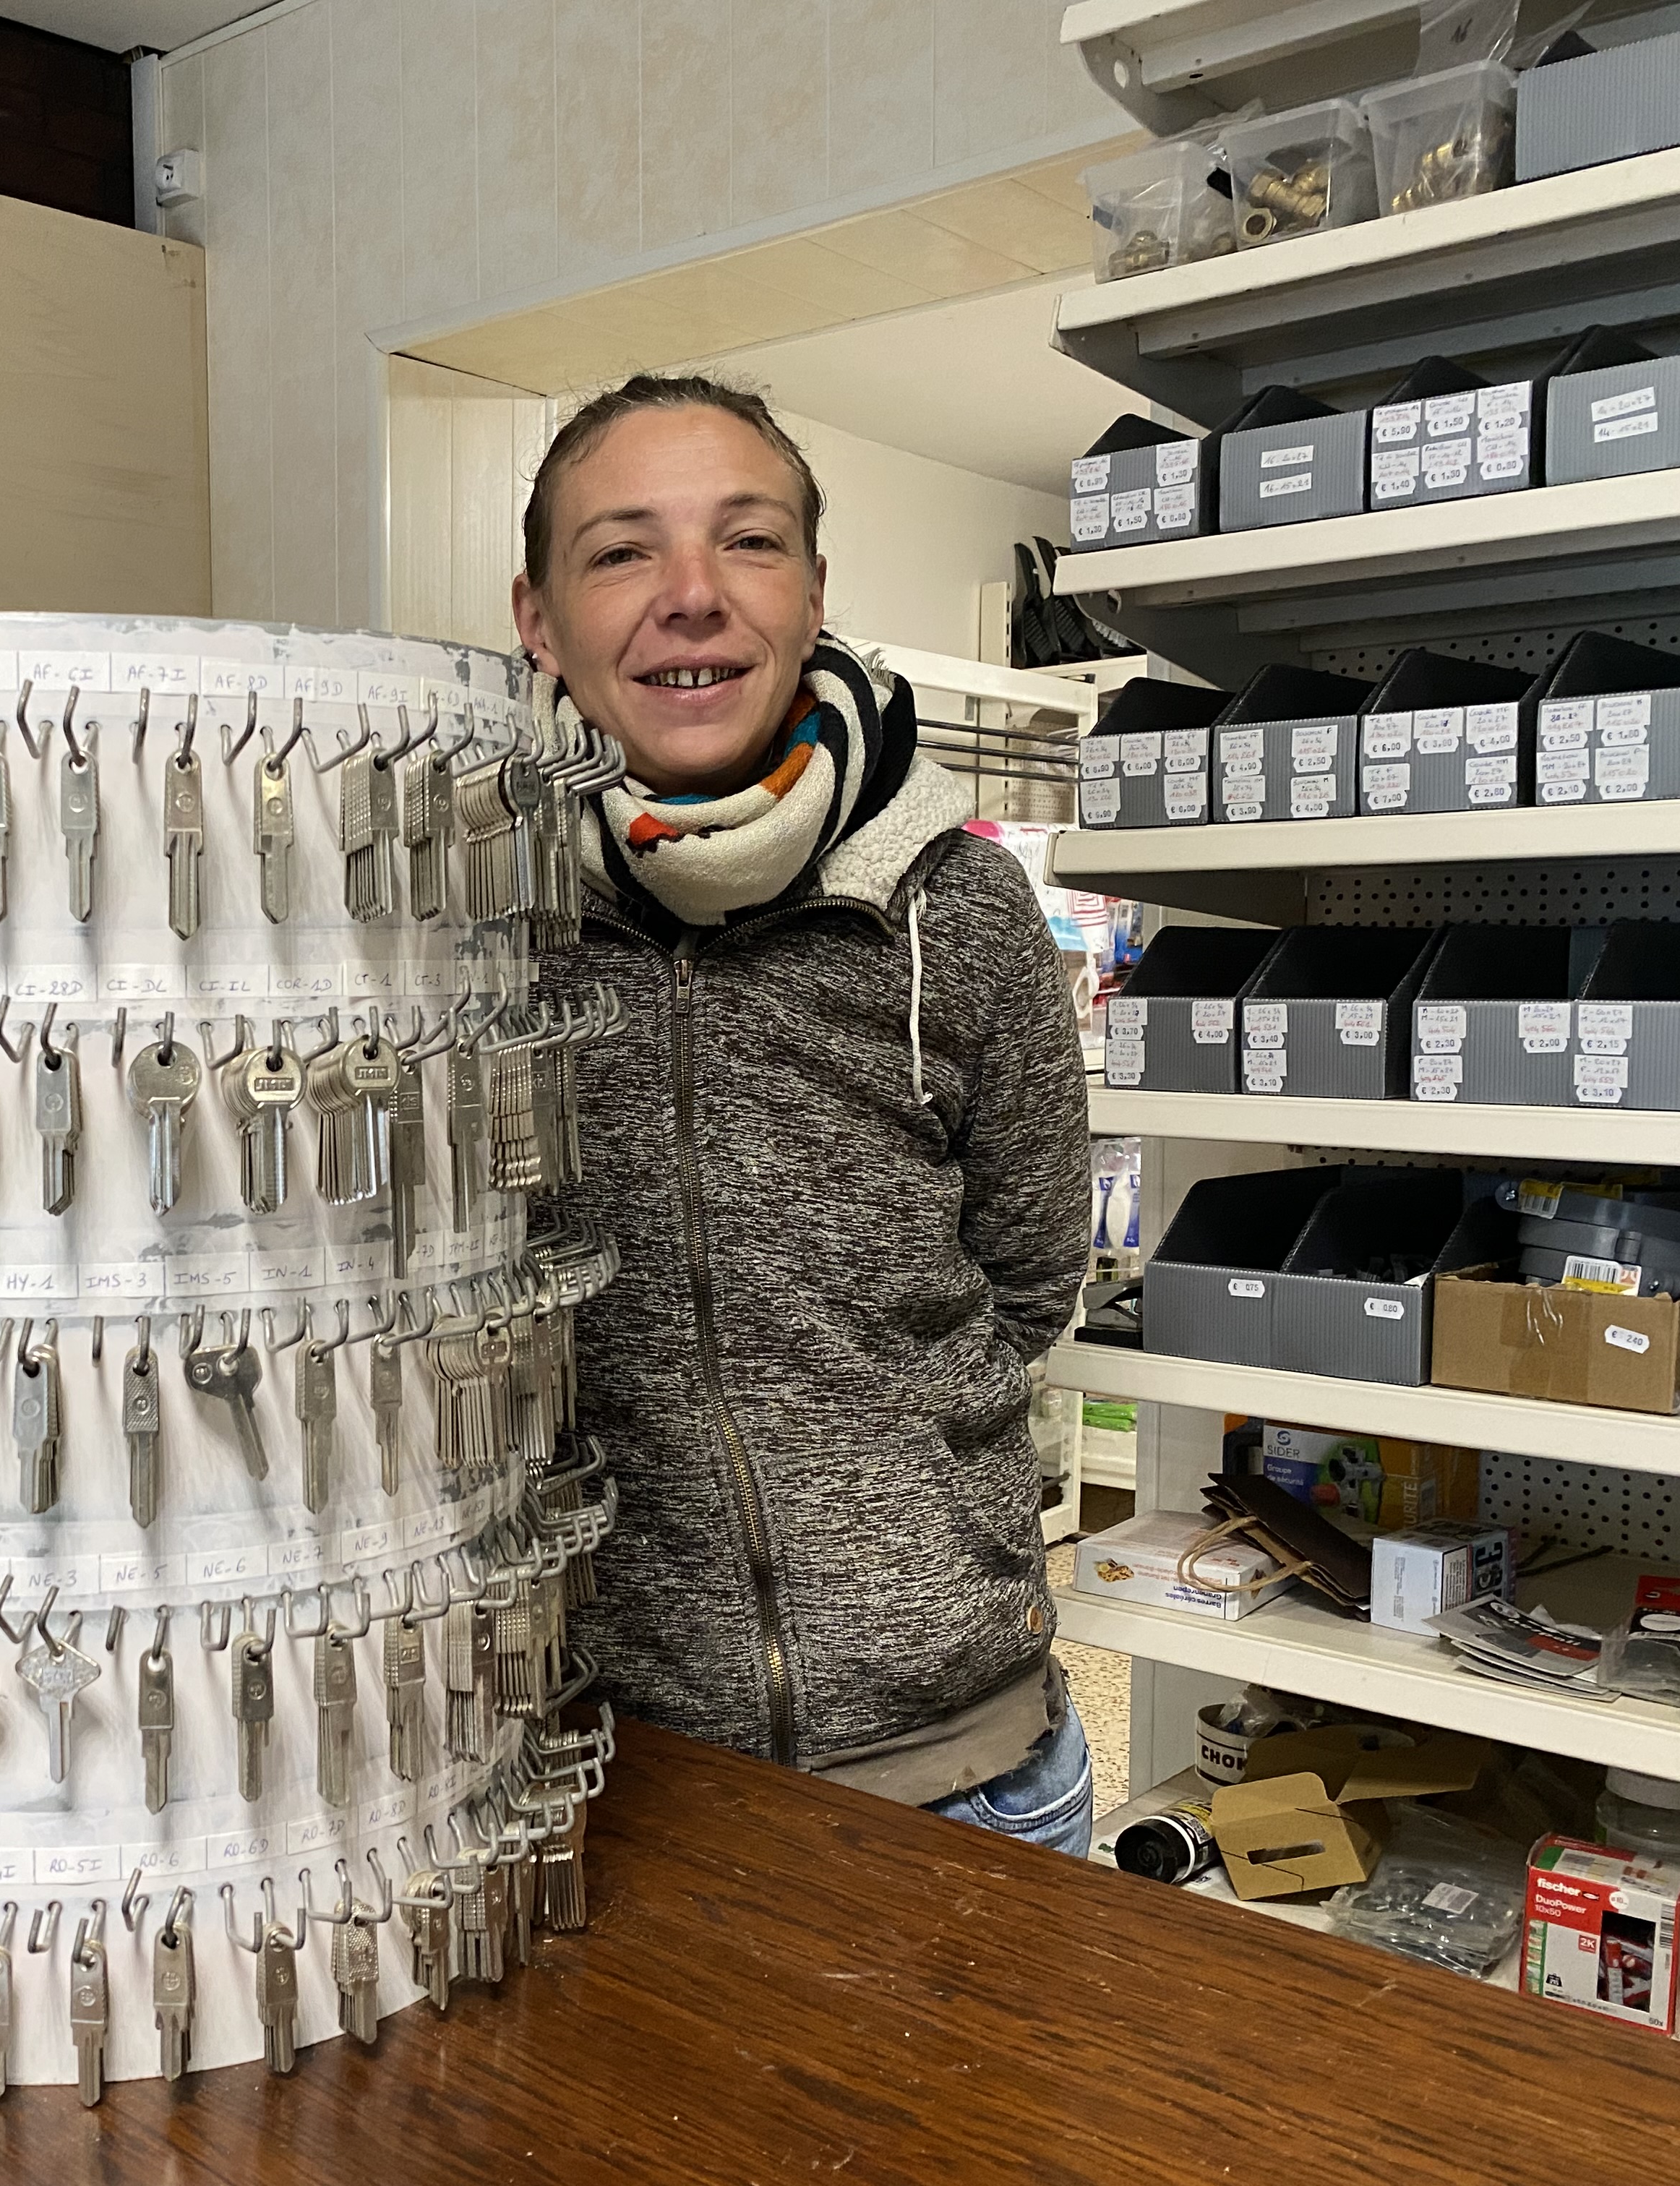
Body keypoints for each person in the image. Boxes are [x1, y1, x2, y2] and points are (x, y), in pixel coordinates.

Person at [512, 372, 1097, 1851]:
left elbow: (1031, 1277)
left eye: (749, 541)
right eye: (623, 549)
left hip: (969, 1780)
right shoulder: (477, 930)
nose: (691, 595)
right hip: (623, 1774)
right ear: (541, 619)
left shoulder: (957, 911)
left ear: (814, 589)